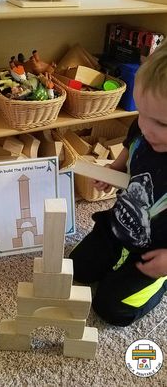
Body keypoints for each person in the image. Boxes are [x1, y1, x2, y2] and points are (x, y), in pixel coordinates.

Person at [69, 39, 167, 326]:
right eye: (142, 113)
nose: (146, 128)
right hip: (119, 224)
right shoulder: (146, 124)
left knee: (111, 309)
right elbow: (132, 143)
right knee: (77, 270)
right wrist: (115, 168)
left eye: (162, 123)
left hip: (154, 253)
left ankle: (160, 284)